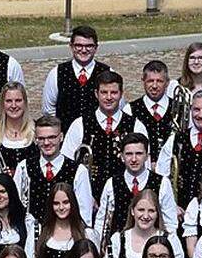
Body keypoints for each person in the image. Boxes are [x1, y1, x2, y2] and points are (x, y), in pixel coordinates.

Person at [60, 70, 146, 199]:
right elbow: (67, 165)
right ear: (96, 94)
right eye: (104, 92)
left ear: (121, 94)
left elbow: (144, 166)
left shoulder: (136, 126)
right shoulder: (79, 125)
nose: (109, 97)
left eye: (114, 92)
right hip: (86, 197)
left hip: (125, 197)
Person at [93, 132, 178, 243]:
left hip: (152, 246)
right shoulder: (111, 183)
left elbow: (170, 223)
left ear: (147, 156)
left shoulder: (162, 183)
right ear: (122, 156)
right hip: (119, 247)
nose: (134, 159)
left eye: (138, 153)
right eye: (129, 154)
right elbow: (102, 221)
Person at [157, 90, 202, 212]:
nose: (200, 115)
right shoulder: (176, 139)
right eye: (196, 109)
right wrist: (171, 206)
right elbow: (161, 177)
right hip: (178, 214)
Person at [14, 115, 93, 224]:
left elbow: (85, 214)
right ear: (35, 139)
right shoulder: (24, 167)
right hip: (31, 235)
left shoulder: (79, 170)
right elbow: (16, 206)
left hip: (66, 236)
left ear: (61, 137)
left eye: (51, 137)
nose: (46, 143)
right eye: (41, 138)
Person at [105, 188, 187, 258]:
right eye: (141, 210)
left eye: (151, 211)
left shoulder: (170, 240)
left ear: (157, 214)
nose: (146, 216)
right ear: (132, 211)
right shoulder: (118, 239)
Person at [41, 25, 110, 132]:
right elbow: (49, 110)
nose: (83, 50)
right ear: (71, 46)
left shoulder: (108, 72)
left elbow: (116, 106)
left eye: (89, 46)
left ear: (96, 48)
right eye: (79, 45)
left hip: (98, 135)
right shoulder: (56, 73)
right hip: (66, 135)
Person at [35, 182, 98, 258]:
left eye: (65, 202)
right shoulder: (41, 232)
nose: (61, 207)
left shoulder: (86, 233)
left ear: (72, 203)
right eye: (56, 203)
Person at [0, 82, 38, 176]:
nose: (14, 106)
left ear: (25, 102)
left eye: (18, 100)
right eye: (9, 101)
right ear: (2, 104)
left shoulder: (36, 130)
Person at [129, 60, 177, 160]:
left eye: (159, 81)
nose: (154, 86)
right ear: (143, 81)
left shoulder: (179, 108)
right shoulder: (130, 109)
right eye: (150, 81)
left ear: (167, 82)